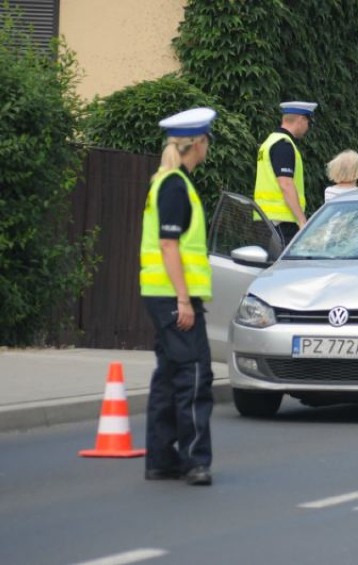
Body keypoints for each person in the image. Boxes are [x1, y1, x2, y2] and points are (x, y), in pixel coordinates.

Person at [139, 107, 217, 486]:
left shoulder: (170, 181)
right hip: (174, 296)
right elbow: (169, 245)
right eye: (207, 143)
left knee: (169, 375)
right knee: (195, 375)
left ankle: (161, 458)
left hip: (161, 293)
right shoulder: (174, 185)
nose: (208, 149)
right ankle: (194, 460)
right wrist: (184, 300)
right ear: (197, 144)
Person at [254, 100, 318, 243]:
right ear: (301, 120)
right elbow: (286, 184)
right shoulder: (283, 145)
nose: (308, 127)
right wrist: (302, 221)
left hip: (268, 221)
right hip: (282, 222)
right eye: (309, 122)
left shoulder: (269, 142)